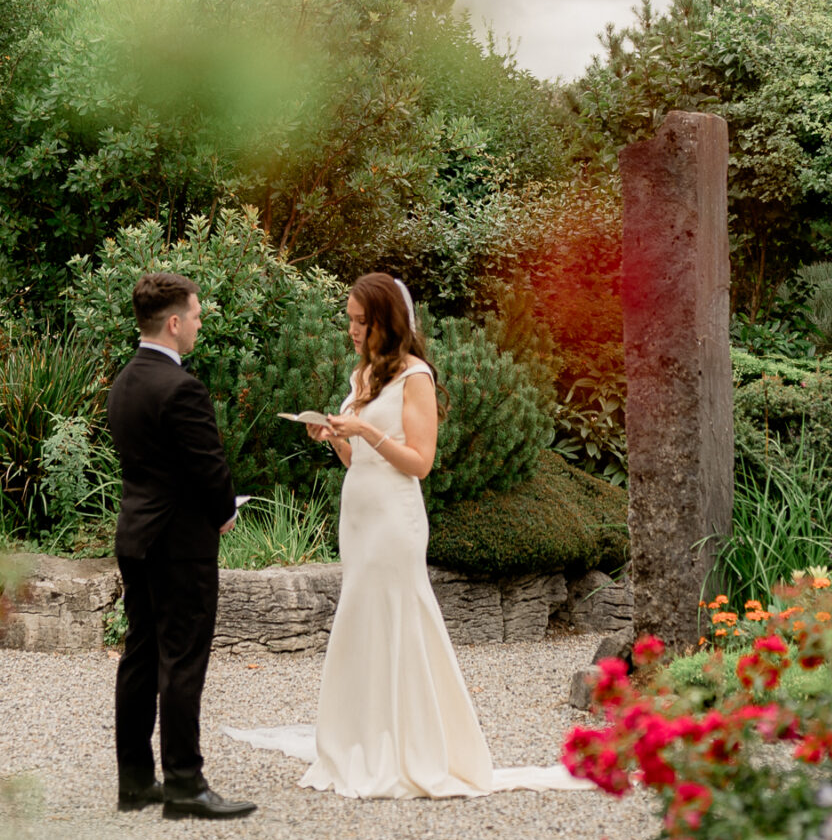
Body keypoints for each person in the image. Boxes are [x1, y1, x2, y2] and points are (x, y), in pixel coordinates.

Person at [229, 274, 588, 799]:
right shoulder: (365, 375)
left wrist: (367, 429)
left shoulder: (414, 376)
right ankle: (366, 738)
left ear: (386, 322)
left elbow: (419, 462)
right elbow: (359, 458)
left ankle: (411, 746)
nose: (351, 329)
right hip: (359, 516)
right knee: (362, 621)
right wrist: (333, 439)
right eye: (349, 319)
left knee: (398, 619)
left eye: (360, 321)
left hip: (395, 521)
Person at [105, 270, 256, 822]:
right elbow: (208, 468)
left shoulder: (125, 382)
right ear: (173, 322)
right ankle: (186, 786)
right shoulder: (181, 388)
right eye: (194, 315)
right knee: (183, 660)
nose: (198, 322)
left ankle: (136, 782)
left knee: (140, 656)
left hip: (136, 537)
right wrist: (223, 513)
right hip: (179, 544)